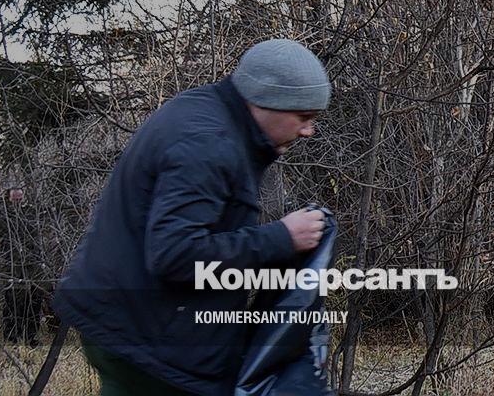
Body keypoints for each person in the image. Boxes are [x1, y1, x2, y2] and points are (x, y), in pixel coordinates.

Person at [53, 39, 331, 396]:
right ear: (268, 101)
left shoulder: (208, 114)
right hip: (147, 344)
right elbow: (175, 254)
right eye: (303, 117)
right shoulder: (208, 144)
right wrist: (282, 238)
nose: (308, 131)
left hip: (136, 328)